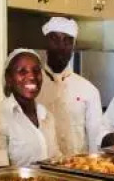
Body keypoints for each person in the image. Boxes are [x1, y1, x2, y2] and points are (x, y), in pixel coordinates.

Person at [0, 49, 61, 170]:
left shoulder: (47, 116)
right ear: (9, 78)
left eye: (36, 71)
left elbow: (57, 161)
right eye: (22, 71)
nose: (32, 76)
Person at [37, 17, 103, 155]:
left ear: (73, 46)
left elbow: (95, 138)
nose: (61, 47)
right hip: (39, 164)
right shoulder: (31, 88)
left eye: (67, 41)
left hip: (77, 165)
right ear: (46, 43)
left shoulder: (89, 90)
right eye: (55, 39)